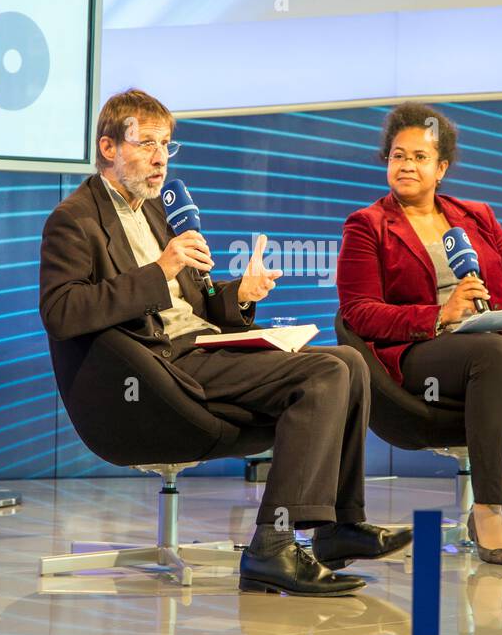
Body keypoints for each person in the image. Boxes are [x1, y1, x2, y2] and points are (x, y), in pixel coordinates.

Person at [40, 88, 411, 596]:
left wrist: (241, 295)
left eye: (166, 144)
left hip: (202, 348)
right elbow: (62, 312)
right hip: (157, 370)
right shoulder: (75, 219)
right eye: (146, 143)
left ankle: (337, 527)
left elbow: (198, 303)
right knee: (325, 372)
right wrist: (160, 270)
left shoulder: (157, 212)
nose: (159, 158)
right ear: (108, 147)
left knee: (347, 361)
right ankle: (272, 547)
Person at [337, 102, 502, 565]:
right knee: (495, 357)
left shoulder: (477, 216)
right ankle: (484, 512)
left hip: (485, 335)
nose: (406, 165)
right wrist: (440, 314)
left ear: (441, 168)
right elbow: (358, 313)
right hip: (418, 350)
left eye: (419, 157)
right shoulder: (367, 226)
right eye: (397, 155)